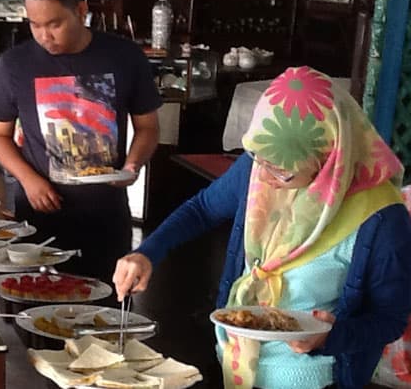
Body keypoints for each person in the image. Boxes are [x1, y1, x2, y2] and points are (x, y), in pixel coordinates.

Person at [112, 66, 411, 388]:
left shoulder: (380, 218)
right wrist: (146, 252)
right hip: (237, 364)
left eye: (282, 171)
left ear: (329, 160)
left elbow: (389, 319)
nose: (264, 178)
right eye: (258, 159)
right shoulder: (259, 166)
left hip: (313, 379)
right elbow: (202, 210)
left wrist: (333, 335)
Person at [0, 0, 161, 284]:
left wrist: (133, 164)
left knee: (105, 314)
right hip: (41, 214)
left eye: (54, 24)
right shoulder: (13, 65)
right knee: (38, 310)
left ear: (81, 11)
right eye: (34, 25)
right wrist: (28, 180)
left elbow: (148, 127)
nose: (44, 36)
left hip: (106, 214)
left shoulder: (125, 57)